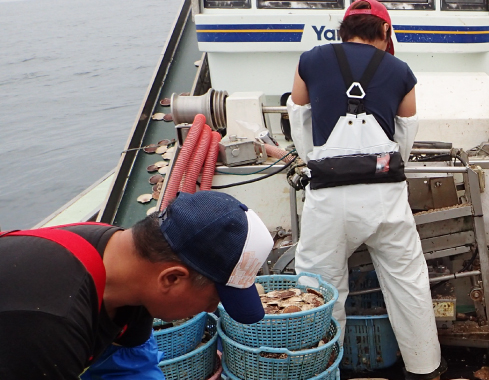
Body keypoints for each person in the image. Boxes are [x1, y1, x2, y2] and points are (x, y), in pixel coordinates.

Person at [287, 1, 445, 379]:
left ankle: (319, 369)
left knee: (318, 289)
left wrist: (319, 160)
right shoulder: (401, 72)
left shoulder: (310, 60)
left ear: (343, 29)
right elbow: (404, 137)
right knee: (408, 283)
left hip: (327, 198)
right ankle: (425, 369)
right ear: (386, 33)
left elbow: (298, 117)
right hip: (384, 198)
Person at [0, 191, 274, 379]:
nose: (212, 308)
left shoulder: (129, 269)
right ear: (172, 278)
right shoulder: (47, 321)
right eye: (215, 299)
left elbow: (130, 367)